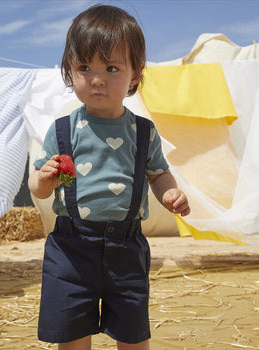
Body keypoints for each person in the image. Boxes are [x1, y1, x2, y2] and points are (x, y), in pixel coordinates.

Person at [28, 4, 190, 350]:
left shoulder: (143, 131)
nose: (97, 78)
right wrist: (44, 179)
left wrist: (170, 193)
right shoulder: (62, 131)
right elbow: (38, 189)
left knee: (133, 335)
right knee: (71, 335)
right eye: (85, 67)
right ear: (70, 70)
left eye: (111, 68)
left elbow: (158, 173)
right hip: (71, 249)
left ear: (135, 75)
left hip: (126, 249)